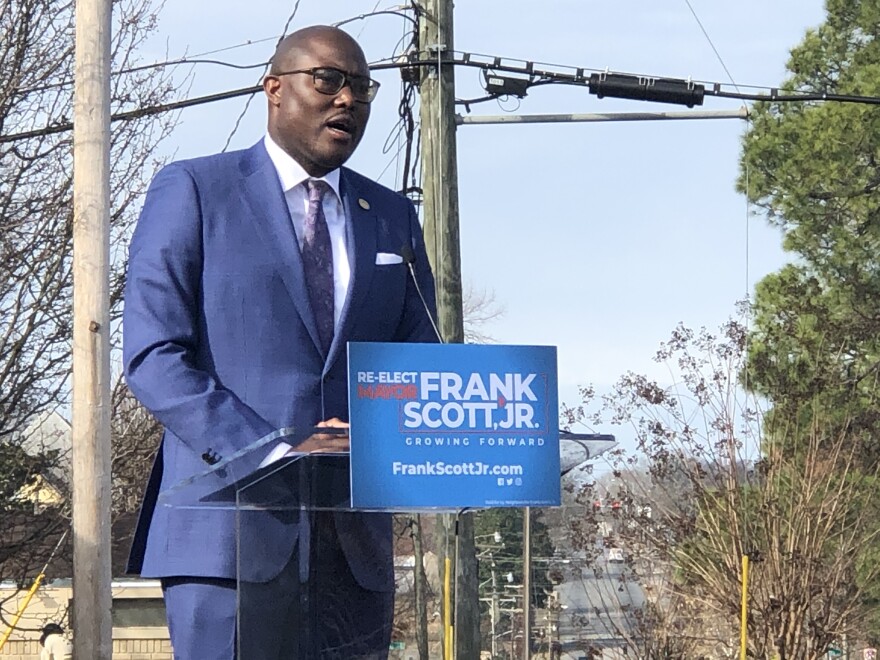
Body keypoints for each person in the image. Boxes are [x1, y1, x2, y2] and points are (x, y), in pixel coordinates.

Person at [122, 24, 437, 660]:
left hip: (353, 556)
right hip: (227, 541)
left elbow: (420, 361)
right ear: (274, 88)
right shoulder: (195, 190)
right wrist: (272, 451)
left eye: (362, 88)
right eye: (328, 80)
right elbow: (154, 354)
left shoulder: (394, 217)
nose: (347, 99)